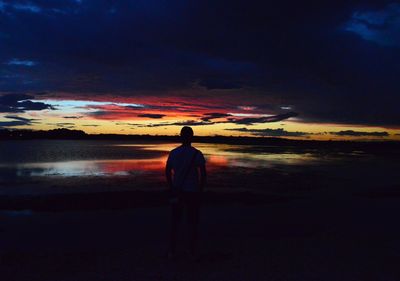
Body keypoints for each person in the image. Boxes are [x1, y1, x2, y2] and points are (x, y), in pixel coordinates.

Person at [165, 126, 206, 259]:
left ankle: (172, 251)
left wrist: (171, 187)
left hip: (177, 191)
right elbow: (203, 174)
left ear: (181, 137)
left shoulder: (174, 153)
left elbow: (167, 171)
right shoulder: (197, 153)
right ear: (192, 137)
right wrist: (200, 190)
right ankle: (192, 251)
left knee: (175, 222)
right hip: (192, 192)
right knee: (192, 222)